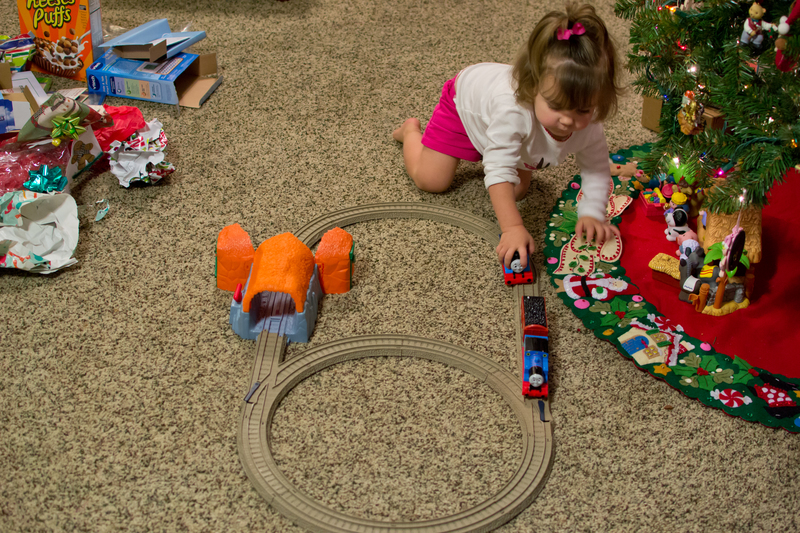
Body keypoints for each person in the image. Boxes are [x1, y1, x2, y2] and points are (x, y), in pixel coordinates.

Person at [392, 3, 624, 270]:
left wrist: (593, 213)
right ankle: (411, 131)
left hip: (507, 130)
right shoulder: (513, 110)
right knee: (432, 180)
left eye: (582, 109)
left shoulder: (590, 124)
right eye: (555, 105)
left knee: (517, 191)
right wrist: (512, 227)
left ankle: (500, 145)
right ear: (532, 85)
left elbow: (596, 169)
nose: (568, 120)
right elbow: (498, 169)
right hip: (465, 108)